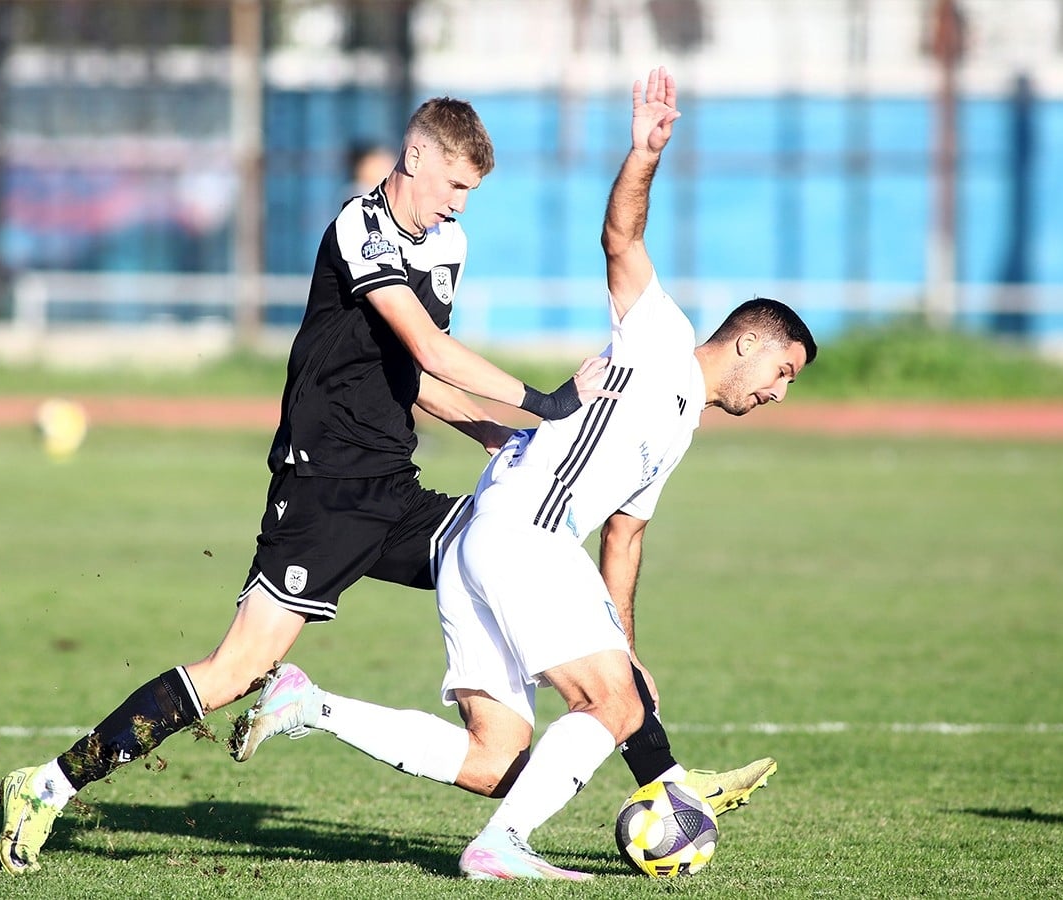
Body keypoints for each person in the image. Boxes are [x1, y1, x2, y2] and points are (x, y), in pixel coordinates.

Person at [0, 95, 612, 876]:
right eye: (454, 185)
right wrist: (548, 404)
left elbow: (414, 374)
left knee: (511, 554)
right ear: (416, 157)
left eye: (470, 194)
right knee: (233, 672)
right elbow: (427, 343)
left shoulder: (448, 242)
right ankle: (46, 784)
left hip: (394, 488)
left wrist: (492, 433)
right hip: (319, 492)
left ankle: (628, 753)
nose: (459, 205)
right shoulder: (360, 227)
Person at [230, 67, 817, 881]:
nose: (777, 390)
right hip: (522, 535)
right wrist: (643, 155)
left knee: (495, 758)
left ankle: (312, 705)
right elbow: (622, 236)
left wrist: (626, 649)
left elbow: (625, 538)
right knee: (608, 705)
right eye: (782, 369)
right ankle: (512, 844)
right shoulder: (660, 333)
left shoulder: (678, 426)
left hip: (486, 539)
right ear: (748, 340)